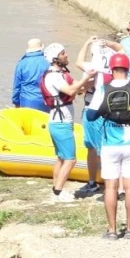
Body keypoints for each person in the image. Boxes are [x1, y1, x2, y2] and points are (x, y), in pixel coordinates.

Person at [40, 42, 95, 202]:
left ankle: (56, 188)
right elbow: (71, 90)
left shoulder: (58, 74)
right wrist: (85, 76)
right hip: (60, 122)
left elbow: (77, 89)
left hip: (60, 121)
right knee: (70, 159)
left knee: (61, 158)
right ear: (55, 58)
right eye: (63, 53)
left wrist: (92, 81)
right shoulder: (53, 76)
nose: (66, 56)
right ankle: (58, 192)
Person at [98, 53, 130, 239]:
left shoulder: (103, 88)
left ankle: (112, 230)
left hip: (109, 143)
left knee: (111, 188)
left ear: (111, 68)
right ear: (127, 68)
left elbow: (93, 113)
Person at [75, 36, 121, 196]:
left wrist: (87, 43)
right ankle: (116, 186)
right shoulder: (116, 68)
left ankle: (93, 182)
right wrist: (109, 44)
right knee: (108, 148)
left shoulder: (94, 67)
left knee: (93, 149)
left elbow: (78, 62)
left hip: (93, 110)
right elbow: (122, 50)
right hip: (109, 110)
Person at [12, 38, 50, 112]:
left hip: (26, 101)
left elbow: (17, 86)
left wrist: (16, 102)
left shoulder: (21, 64)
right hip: (45, 101)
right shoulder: (48, 62)